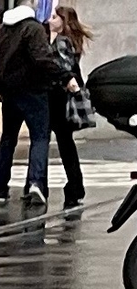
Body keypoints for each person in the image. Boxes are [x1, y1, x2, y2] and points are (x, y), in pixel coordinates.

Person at [0, 1, 64, 206]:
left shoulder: (0, 31)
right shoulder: (33, 28)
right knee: (39, 138)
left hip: (9, 92)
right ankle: (35, 183)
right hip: (33, 90)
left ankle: (1, 189)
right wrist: (62, 74)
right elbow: (41, 58)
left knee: (7, 140)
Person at [51, 4, 94, 207]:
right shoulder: (73, 41)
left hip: (58, 98)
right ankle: (76, 185)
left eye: (55, 17)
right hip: (67, 98)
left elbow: (64, 69)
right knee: (66, 144)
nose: (50, 20)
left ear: (63, 21)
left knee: (59, 143)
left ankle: (75, 185)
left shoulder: (61, 42)